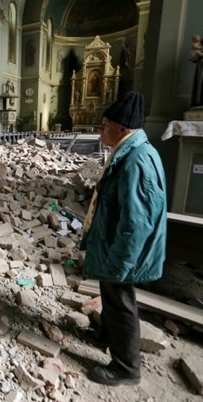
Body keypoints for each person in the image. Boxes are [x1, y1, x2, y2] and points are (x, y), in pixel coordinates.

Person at [80, 91, 167, 386]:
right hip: (114, 244)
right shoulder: (129, 150)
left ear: (123, 129)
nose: (101, 130)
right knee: (111, 296)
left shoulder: (137, 161)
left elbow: (137, 222)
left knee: (121, 302)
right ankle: (107, 336)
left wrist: (121, 260)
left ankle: (126, 369)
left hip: (123, 249)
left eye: (106, 125)